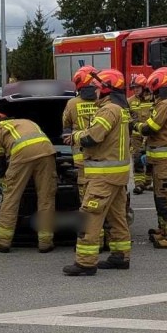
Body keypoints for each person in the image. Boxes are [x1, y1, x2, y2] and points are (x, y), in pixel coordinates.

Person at [64, 68, 132, 276]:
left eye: (97, 87)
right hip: (116, 175)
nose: (94, 90)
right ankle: (120, 256)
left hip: (103, 174)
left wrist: (75, 137)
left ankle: (85, 262)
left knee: (89, 216)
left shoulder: (108, 110)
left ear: (107, 90)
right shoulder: (120, 109)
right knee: (117, 216)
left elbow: (93, 137)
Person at [133, 67, 167, 249]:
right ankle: (165, 230)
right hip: (162, 159)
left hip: (165, 161)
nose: (152, 92)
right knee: (162, 197)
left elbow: (151, 128)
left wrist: (134, 125)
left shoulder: (165, 105)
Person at [0, 112, 56, 253]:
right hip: (47, 152)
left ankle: (3, 242)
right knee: (46, 197)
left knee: (11, 198)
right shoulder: (27, 121)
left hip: (21, 154)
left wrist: (3, 180)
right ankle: (45, 242)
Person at [61, 66, 100, 205]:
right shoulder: (103, 101)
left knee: (85, 185)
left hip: (81, 154)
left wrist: (69, 137)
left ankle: (89, 219)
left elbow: (66, 126)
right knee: (101, 187)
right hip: (102, 154)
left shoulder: (72, 103)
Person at [128, 74, 153, 195]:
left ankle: (147, 183)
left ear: (144, 87)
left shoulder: (153, 99)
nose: (135, 90)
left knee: (150, 160)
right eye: (133, 88)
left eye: (137, 87)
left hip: (150, 135)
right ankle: (138, 184)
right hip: (136, 136)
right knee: (137, 159)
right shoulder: (130, 101)